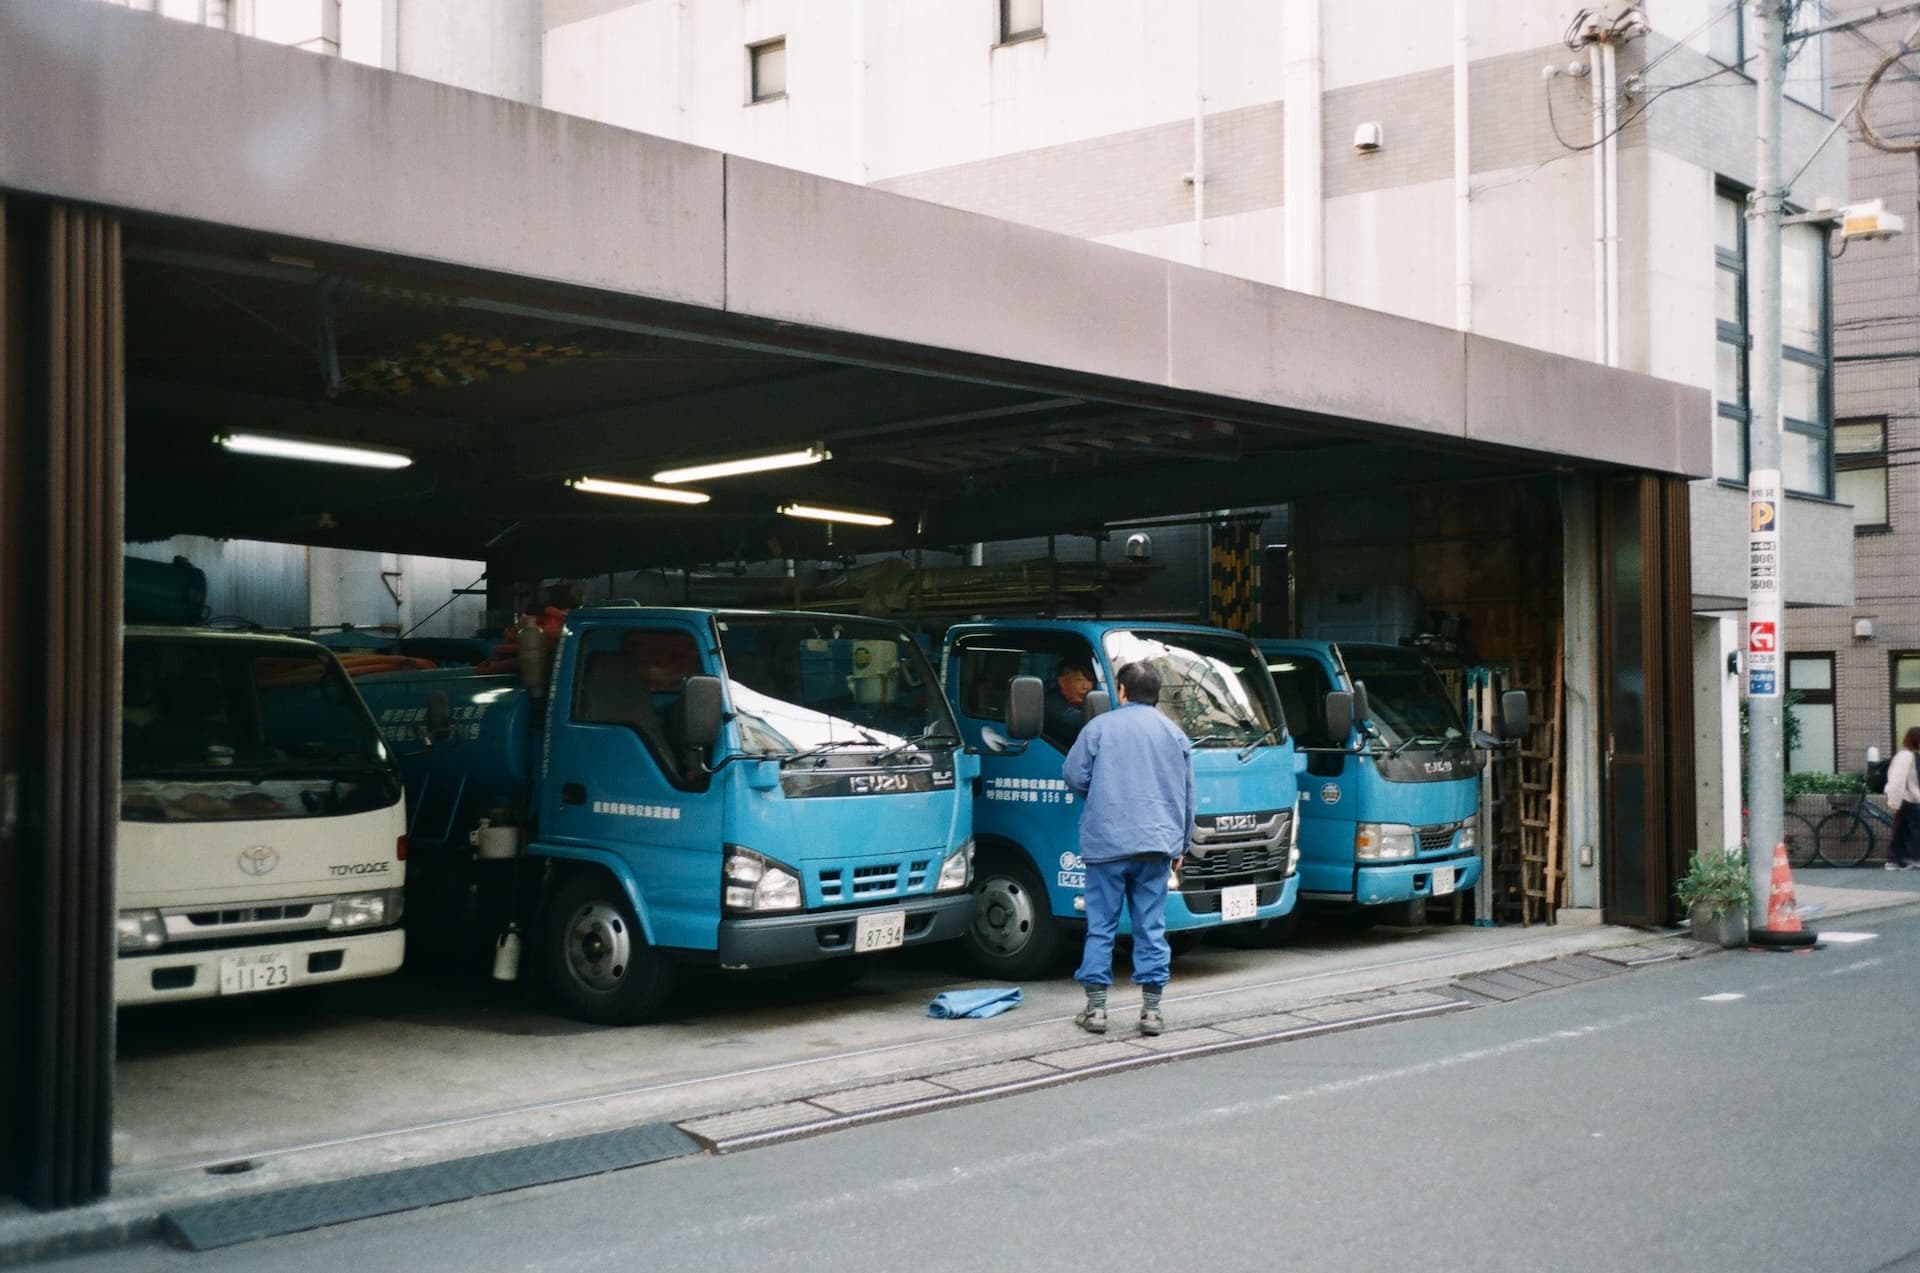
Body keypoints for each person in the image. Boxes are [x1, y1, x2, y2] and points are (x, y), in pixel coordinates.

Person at [1061, 659, 1195, 1037]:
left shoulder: (1099, 727)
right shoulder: (1174, 734)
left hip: (1107, 843)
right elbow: (1187, 796)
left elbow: (1073, 774)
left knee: (1101, 926)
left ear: (1121, 691)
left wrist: (1101, 793)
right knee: (1151, 926)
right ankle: (1151, 1013)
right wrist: (1181, 843)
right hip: (1157, 845)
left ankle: (1097, 1011)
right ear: (1156, 694)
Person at [1885, 726, 1920, 870]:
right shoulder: (1906, 756)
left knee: (1901, 831)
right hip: (1907, 800)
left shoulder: (1910, 755)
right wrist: (1894, 802)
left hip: (1908, 799)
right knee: (1914, 830)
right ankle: (1911, 858)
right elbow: (1897, 780)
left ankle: (1896, 861)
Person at [1043, 657, 1096, 745]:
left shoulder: (1081, 703)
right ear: (1062, 682)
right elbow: (1078, 720)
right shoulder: (1051, 705)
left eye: (1089, 680)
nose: (1086, 686)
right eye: (1079, 680)